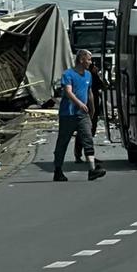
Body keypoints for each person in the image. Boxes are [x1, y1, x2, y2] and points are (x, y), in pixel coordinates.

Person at [53, 50, 105, 182]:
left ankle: (92, 170)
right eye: (88, 59)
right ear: (81, 59)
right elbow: (68, 92)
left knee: (88, 139)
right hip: (68, 114)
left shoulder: (88, 75)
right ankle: (58, 170)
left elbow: (89, 93)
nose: (90, 62)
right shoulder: (68, 74)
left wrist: (92, 109)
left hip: (83, 115)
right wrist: (79, 104)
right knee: (62, 142)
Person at [75, 59, 105, 163]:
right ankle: (80, 155)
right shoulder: (84, 76)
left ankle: (88, 155)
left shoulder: (92, 76)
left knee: (90, 132)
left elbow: (102, 86)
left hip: (93, 107)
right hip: (85, 106)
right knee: (84, 131)